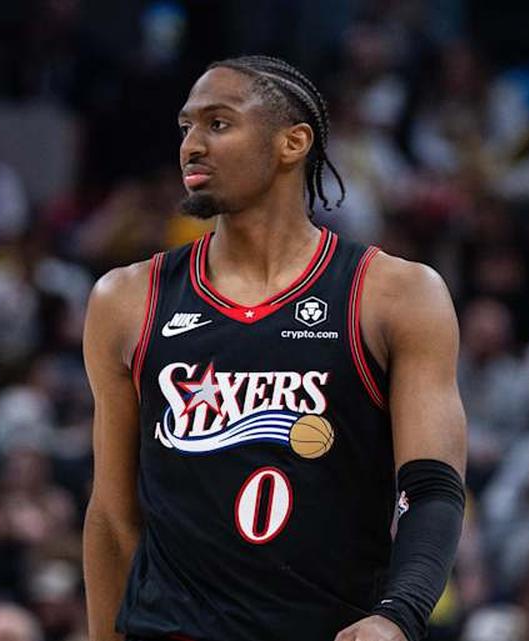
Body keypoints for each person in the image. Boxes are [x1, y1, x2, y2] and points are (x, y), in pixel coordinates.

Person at [82, 55, 467, 641]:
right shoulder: (128, 298)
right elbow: (112, 517)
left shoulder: (394, 294)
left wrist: (399, 614)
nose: (191, 145)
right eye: (186, 127)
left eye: (218, 123)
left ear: (293, 143)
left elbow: (431, 489)